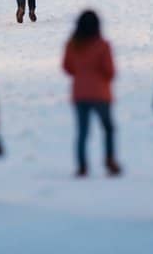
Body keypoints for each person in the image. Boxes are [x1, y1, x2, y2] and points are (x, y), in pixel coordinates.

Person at [62, 11, 121, 178]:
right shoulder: (103, 45)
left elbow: (67, 67)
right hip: (101, 93)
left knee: (82, 131)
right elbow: (110, 71)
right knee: (108, 127)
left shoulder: (72, 45)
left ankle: (82, 165)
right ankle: (110, 159)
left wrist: (80, 74)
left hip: (80, 93)